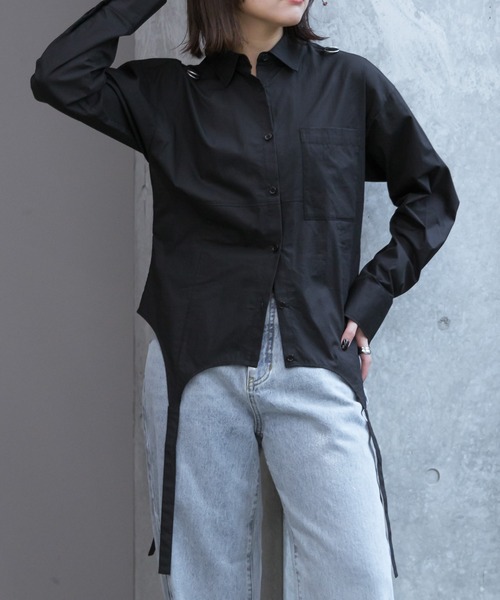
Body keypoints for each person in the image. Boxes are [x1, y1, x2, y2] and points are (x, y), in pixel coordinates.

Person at [31, 0, 459, 597]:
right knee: (206, 587)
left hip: (315, 358)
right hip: (195, 374)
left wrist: (374, 294)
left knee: (359, 581)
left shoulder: (349, 82)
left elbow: (431, 194)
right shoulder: (169, 94)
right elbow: (59, 75)